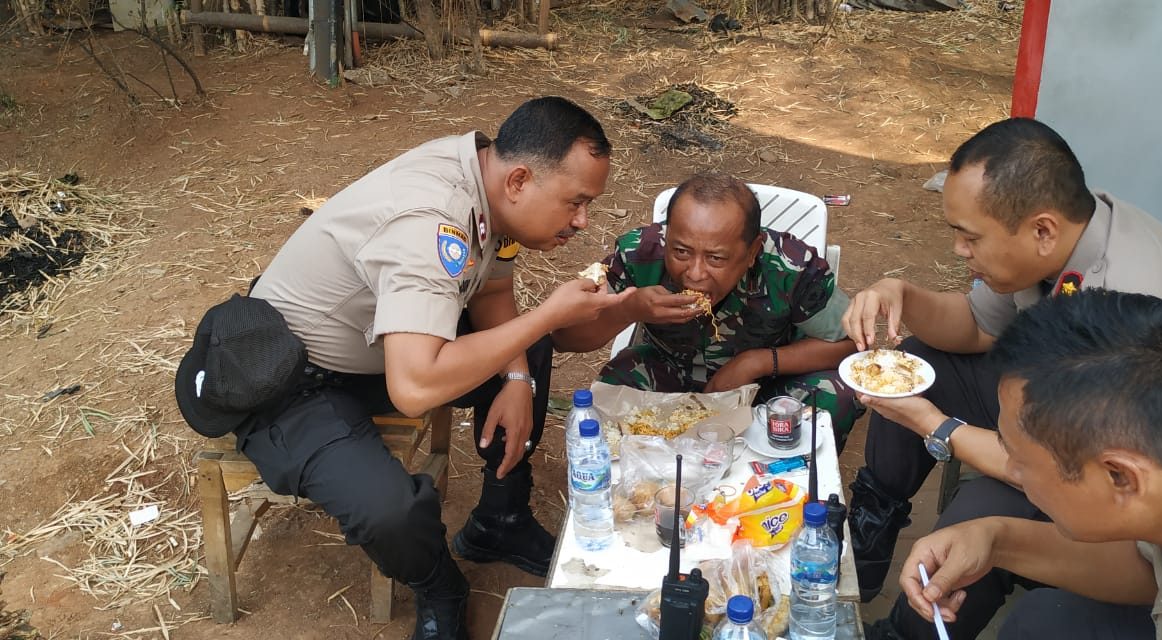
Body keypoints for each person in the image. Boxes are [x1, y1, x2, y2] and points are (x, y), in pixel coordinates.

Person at [174, 97, 632, 640]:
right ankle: (440, 586)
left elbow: (491, 286)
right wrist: (547, 317)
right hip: (295, 377)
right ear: (519, 180)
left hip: (379, 349)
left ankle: (499, 520)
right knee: (390, 511)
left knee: (523, 346)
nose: (583, 221)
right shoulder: (431, 221)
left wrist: (515, 377)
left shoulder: (484, 175)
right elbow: (415, 388)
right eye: (575, 203)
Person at [842, 118, 1162, 639]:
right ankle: (862, 556)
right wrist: (904, 295)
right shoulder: (1056, 242)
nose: (960, 250)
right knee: (917, 370)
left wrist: (940, 429)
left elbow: (1079, 464)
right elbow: (980, 326)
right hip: (1151, 458)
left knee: (988, 509)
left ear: (1043, 230)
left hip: (1146, 445)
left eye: (969, 236)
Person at [899, 289, 1162, 639]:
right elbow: (1158, 569)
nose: (1010, 471)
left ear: (1120, 476)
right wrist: (994, 539)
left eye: (1022, 461)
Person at [551, 173, 863, 450]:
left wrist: (757, 362)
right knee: (612, 389)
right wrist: (627, 310)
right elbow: (566, 338)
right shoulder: (640, 253)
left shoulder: (789, 267)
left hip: (766, 387)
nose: (695, 274)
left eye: (716, 259)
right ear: (667, 234)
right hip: (670, 373)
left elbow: (852, 342)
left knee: (837, 394)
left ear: (752, 251)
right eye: (681, 251)